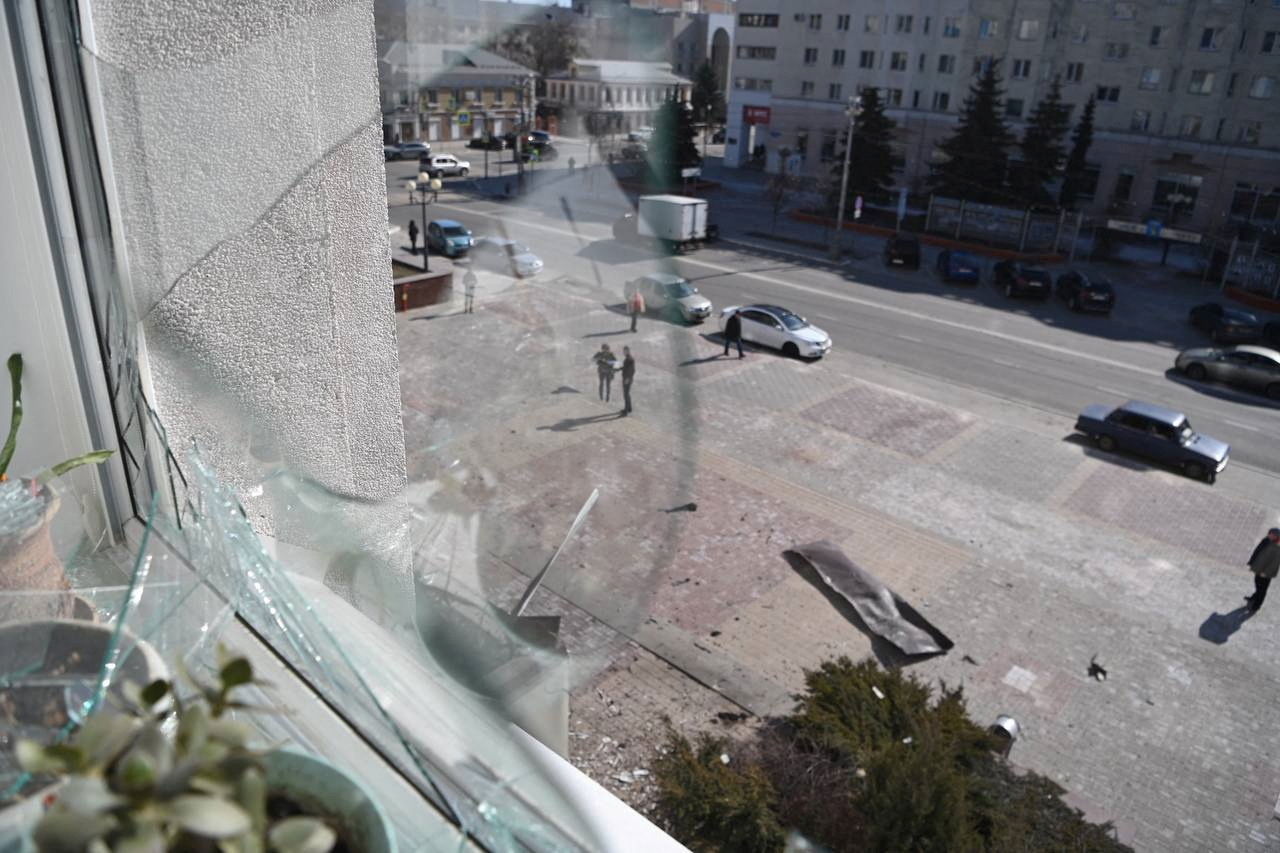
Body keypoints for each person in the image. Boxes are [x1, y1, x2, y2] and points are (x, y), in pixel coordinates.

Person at [1245, 528, 1280, 614]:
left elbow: (1274, 563)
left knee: (1262, 588)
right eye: (1269, 534)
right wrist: (1252, 561)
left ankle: (1257, 605)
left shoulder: (1278, 546)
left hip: (1266, 572)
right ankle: (1254, 597)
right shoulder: (1266, 540)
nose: (1269, 535)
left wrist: (1266, 573)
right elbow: (1257, 551)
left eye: (1271, 535)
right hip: (1259, 568)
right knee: (1257, 583)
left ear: (1276, 536)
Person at [620, 346, 635, 415]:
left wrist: (627, 379)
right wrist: (620, 367)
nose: (624, 352)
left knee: (626, 394)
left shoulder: (630, 359)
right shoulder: (627, 358)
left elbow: (632, 371)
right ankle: (629, 408)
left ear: (628, 351)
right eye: (624, 351)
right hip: (626, 379)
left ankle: (626, 411)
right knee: (627, 394)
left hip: (627, 379)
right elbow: (625, 368)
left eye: (625, 351)